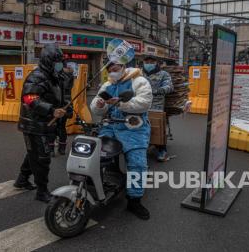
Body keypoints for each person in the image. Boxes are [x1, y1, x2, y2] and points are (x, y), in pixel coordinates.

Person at [90, 62, 153, 220]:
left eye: (115, 70)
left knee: (137, 163)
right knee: (94, 154)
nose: (112, 73)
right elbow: (96, 108)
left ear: (124, 67)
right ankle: (95, 188)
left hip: (134, 128)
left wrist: (121, 103)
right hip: (110, 126)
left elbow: (145, 103)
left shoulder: (139, 81)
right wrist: (100, 105)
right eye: (110, 71)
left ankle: (134, 200)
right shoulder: (107, 84)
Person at [14, 43, 67, 203]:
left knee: (34, 153)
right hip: (33, 124)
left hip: (44, 123)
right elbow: (30, 99)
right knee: (42, 157)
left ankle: (22, 179)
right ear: (47, 61)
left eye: (60, 61)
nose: (59, 64)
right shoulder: (36, 76)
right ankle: (42, 191)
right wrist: (51, 110)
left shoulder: (53, 76)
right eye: (56, 61)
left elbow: (58, 95)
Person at [142, 55, 173, 162]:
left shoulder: (164, 74)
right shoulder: (138, 74)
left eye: (152, 61)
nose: (149, 63)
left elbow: (169, 87)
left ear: (157, 63)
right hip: (140, 105)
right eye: (147, 61)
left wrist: (157, 90)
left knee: (158, 129)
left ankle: (162, 150)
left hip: (157, 106)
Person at [49, 62, 75, 156]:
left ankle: (51, 149)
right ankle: (62, 149)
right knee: (62, 126)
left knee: (53, 126)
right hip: (66, 103)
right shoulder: (69, 75)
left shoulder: (58, 76)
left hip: (57, 103)